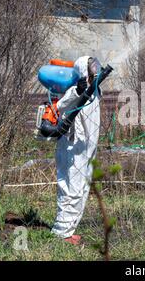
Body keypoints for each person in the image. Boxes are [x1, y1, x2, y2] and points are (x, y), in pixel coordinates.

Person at [51, 56, 102, 245]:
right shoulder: (74, 90)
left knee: (82, 188)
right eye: (91, 67)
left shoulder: (95, 89)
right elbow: (61, 106)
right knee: (70, 188)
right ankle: (61, 232)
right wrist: (78, 90)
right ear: (83, 69)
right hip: (72, 147)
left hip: (87, 148)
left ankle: (69, 229)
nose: (95, 69)